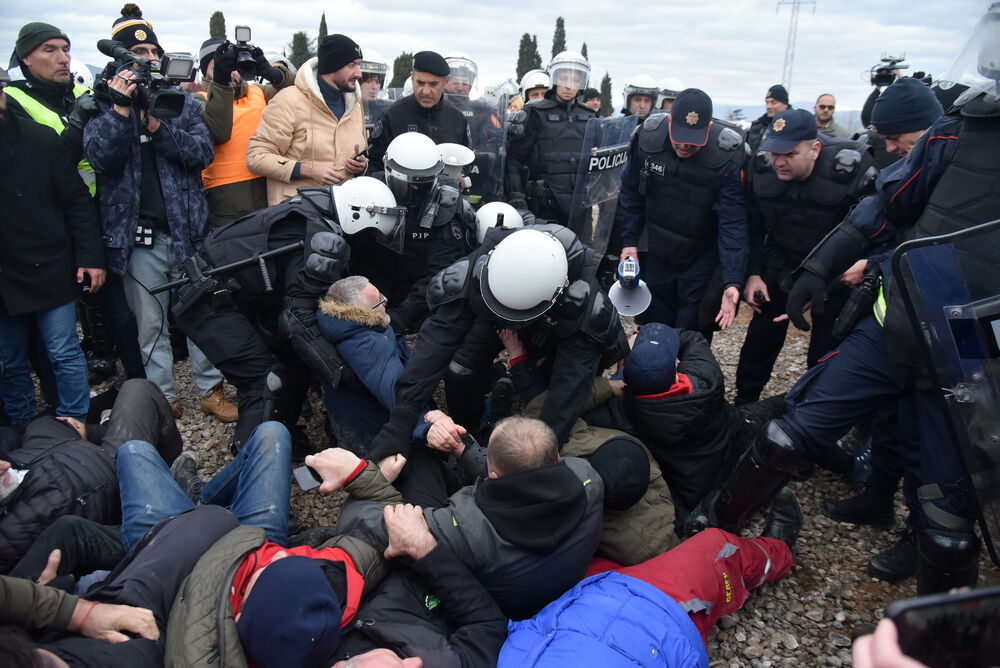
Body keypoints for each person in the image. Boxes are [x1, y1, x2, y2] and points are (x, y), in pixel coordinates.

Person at [685, 7, 1000, 593]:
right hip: (901, 317)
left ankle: (935, 632)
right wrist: (819, 268)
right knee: (789, 433)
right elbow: (884, 206)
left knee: (948, 512)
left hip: (974, 349)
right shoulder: (954, 135)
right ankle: (714, 529)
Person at [172, 176, 405, 451]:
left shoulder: (316, 211)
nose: (371, 238)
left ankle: (280, 435)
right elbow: (299, 322)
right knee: (264, 380)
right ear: (356, 215)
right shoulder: (322, 239)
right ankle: (251, 462)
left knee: (294, 359)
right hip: (207, 300)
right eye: (370, 231)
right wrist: (340, 372)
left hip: (232, 293)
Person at [82, 5, 236, 423]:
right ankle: (163, 398)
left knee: (201, 313)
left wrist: (156, 126)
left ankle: (211, 390)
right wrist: (120, 111)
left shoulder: (181, 102)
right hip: (138, 237)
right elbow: (99, 158)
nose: (147, 58)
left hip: (189, 231)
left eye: (152, 50)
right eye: (137, 53)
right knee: (150, 324)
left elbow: (201, 153)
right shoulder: (102, 105)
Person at [365, 225, 624, 469]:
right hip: (490, 310)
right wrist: (400, 420)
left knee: (548, 389)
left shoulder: (583, 306)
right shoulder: (480, 271)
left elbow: (568, 390)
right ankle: (473, 429)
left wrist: (535, 455)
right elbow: (436, 345)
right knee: (461, 370)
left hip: (555, 324)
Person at [820, 76, 944, 584]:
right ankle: (877, 498)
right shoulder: (918, 164)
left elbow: (937, 242)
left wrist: (877, 261)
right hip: (897, 318)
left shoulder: (951, 166)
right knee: (890, 418)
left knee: (927, 440)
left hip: (938, 329)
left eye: (897, 138)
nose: (889, 148)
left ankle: (922, 538)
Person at [310, 415, 606, 621]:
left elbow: (366, 526)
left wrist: (364, 477)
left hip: (498, 604)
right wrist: (463, 450)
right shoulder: (587, 479)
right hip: (549, 575)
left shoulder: (467, 526)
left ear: (494, 477)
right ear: (556, 459)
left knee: (417, 465)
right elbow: (524, 478)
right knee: (430, 465)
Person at [498, 488, 802, 666]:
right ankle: (778, 553)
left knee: (584, 557)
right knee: (717, 547)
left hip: (583, 600)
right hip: (660, 612)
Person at [5, 22, 145, 389]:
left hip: (96, 211)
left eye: (66, 49)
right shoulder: (14, 101)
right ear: (25, 58)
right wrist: (81, 120)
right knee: (50, 318)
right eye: (50, 50)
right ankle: (55, 397)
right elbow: (38, 165)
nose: (63, 58)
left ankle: (136, 383)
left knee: (115, 307)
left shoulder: (85, 89)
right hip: (44, 219)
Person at [734, 108, 877, 405]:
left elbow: (875, 227)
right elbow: (752, 225)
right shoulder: (764, 170)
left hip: (836, 272)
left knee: (825, 352)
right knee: (760, 339)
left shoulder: (849, 171)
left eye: (789, 153)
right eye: (774, 152)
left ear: (814, 150)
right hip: (783, 261)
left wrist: (859, 267)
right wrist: (754, 273)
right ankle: (745, 405)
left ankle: (814, 414)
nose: (779, 161)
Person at [0, 66, 104, 426]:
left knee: (63, 350)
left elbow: (76, 200)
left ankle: (75, 421)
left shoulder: (40, 139)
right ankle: (22, 426)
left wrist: (90, 257)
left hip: (47, 261)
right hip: (4, 273)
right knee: (10, 357)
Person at [0, 378, 182, 573]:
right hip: (103, 469)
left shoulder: (6, 466)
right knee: (139, 390)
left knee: (46, 423)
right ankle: (163, 478)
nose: (3, 466)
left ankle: (101, 429)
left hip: (41, 451)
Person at [576, 322, 747, 529]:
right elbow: (690, 337)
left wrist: (611, 384)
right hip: (735, 448)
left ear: (625, 382)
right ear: (674, 374)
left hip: (689, 493)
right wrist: (647, 338)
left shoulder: (618, 414)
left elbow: (572, 404)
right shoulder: (706, 377)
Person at [618, 88, 749, 340]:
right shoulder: (648, 143)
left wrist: (733, 280)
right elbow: (631, 195)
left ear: (708, 128)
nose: (685, 144)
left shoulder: (725, 159)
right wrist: (630, 242)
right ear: (669, 121)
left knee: (690, 330)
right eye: (679, 135)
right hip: (658, 250)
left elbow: (733, 223)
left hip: (700, 257)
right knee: (653, 326)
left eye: (693, 138)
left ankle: (689, 378)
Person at [350, 131, 475, 334]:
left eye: (424, 185)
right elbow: (358, 257)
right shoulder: (370, 196)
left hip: (427, 301)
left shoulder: (447, 206)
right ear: (389, 173)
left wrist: (402, 315)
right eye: (410, 185)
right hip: (377, 290)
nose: (417, 189)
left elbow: (441, 272)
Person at [247, 33, 368, 206]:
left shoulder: (355, 105)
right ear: (332, 66)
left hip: (344, 213)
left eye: (359, 65)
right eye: (352, 65)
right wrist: (307, 170)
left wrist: (361, 166)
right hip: (295, 214)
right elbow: (256, 157)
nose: (359, 73)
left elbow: (361, 153)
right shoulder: (288, 101)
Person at [197, 36, 294, 226]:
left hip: (266, 184)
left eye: (232, 67)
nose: (229, 73)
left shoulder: (258, 92)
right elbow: (218, 132)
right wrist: (221, 82)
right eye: (217, 67)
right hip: (225, 196)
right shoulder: (197, 100)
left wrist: (272, 73)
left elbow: (301, 89)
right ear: (206, 73)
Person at [506, 50, 596, 226]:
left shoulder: (591, 116)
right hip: (543, 204)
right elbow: (514, 159)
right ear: (554, 79)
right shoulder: (535, 113)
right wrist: (517, 196)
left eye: (575, 80)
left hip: (581, 204)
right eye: (564, 79)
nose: (569, 86)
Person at [366, 51, 470, 169]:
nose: (425, 91)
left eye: (433, 84)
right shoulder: (392, 116)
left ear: (445, 82)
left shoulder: (457, 119)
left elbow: (466, 161)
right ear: (412, 78)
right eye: (420, 83)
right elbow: (373, 162)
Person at [746, 83, 790, 154]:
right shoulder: (758, 126)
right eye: (767, 102)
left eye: (773, 103)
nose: (768, 107)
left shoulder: (794, 125)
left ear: (785, 104)